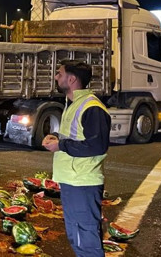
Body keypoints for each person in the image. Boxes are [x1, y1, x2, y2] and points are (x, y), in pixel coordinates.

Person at [42, 60, 111, 257]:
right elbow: (77, 137)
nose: (56, 77)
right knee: (79, 234)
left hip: (82, 181)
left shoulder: (91, 107)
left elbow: (96, 145)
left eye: (59, 73)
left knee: (85, 239)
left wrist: (61, 145)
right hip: (73, 180)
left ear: (71, 79)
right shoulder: (74, 103)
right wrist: (57, 140)